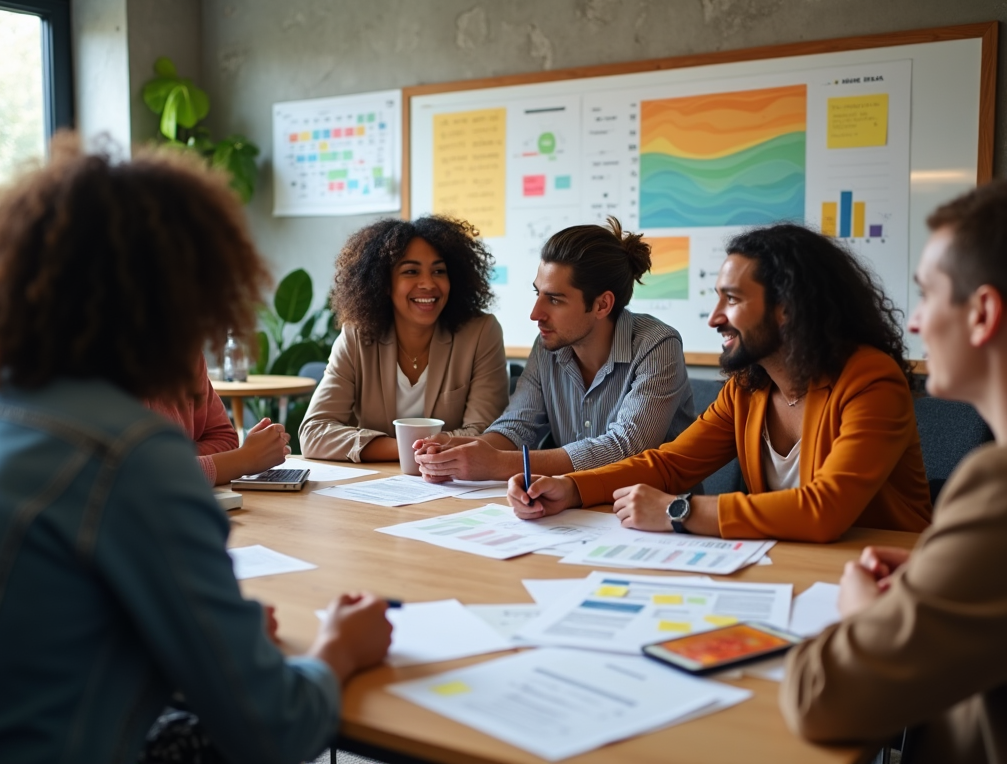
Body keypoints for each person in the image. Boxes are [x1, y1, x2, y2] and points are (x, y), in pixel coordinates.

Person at [0, 136, 392, 763]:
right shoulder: (131, 454)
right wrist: (338, 645)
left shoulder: (4, 407)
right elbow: (274, 728)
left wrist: (200, 637)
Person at [508, 223, 932, 542]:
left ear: (787, 308)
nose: (714, 317)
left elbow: (825, 509)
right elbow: (669, 463)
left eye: (732, 299)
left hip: (885, 577)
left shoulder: (870, 380)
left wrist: (679, 511)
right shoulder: (749, 387)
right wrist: (571, 488)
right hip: (789, 562)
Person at [780, 182, 1007, 762]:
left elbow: (820, 698)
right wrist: (942, 569)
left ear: (982, 314)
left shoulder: (995, 485)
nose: (917, 323)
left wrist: (865, 611)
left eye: (927, 296)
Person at [413, 217, 695, 482]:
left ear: (602, 305)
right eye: (538, 294)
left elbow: (627, 449)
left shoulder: (658, 346)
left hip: (659, 515)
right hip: (572, 505)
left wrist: (498, 463)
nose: (536, 314)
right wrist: (459, 450)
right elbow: (517, 428)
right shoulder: (548, 345)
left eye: (555, 300)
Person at [298, 216, 508, 462]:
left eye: (439, 271)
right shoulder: (357, 337)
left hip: (452, 483)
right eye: (411, 271)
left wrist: (395, 448)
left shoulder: (481, 333)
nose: (428, 284)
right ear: (384, 283)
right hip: (375, 487)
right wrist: (410, 450)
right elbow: (314, 433)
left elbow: (484, 436)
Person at [146, 355, 291, 486]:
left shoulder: (188, 352)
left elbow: (225, 440)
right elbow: (143, 472)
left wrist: (175, 462)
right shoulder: (126, 364)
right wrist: (246, 458)